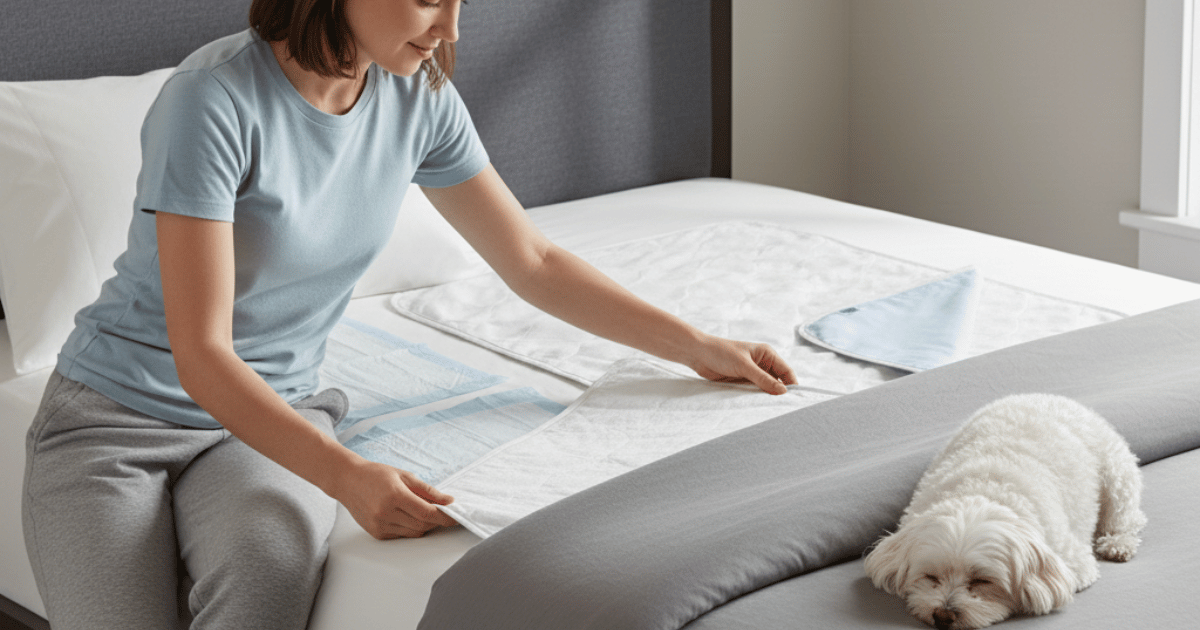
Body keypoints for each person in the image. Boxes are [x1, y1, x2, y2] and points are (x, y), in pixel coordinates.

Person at [22, 1, 799, 628]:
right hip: (113, 421)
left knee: (271, 561)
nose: (453, 28)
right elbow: (201, 353)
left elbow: (532, 261)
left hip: (267, 416)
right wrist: (352, 476)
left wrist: (696, 346)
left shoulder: (417, 97)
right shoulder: (213, 100)